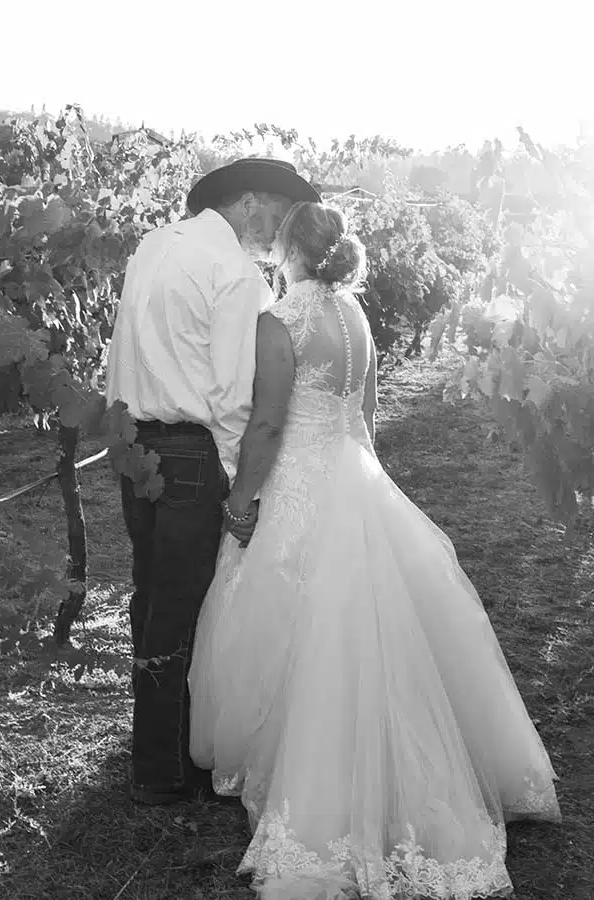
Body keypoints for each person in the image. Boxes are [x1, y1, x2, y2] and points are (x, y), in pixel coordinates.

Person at [188, 201, 561, 899]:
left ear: (290, 250)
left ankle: (318, 782)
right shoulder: (356, 318)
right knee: (378, 626)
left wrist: (242, 499)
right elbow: (365, 417)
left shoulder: (280, 321)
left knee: (293, 614)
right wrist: (367, 486)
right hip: (355, 475)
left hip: (300, 480)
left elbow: (267, 425)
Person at [105, 159, 321, 806]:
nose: (281, 234)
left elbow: (124, 347)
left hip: (134, 441)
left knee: (151, 596)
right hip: (192, 453)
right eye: (281, 215)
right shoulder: (234, 273)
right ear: (250, 202)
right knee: (186, 605)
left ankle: (157, 748)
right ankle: (164, 770)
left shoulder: (155, 244)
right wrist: (240, 490)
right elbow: (232, 396)